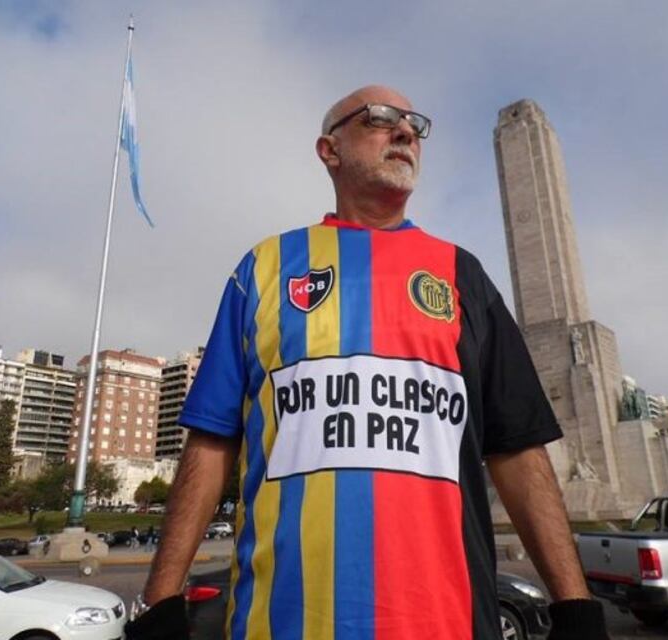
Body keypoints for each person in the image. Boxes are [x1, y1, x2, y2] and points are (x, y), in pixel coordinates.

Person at [126, 85, 609, 640]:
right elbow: (211, 442)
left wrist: (575, 605)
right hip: (282, 626)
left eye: (413, 125)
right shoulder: (263, 269)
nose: (405, 132)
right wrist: (161, 599)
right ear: (329, 150)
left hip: (449, 625)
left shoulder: (462, 275)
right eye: (380, 119)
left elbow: (519, 450)